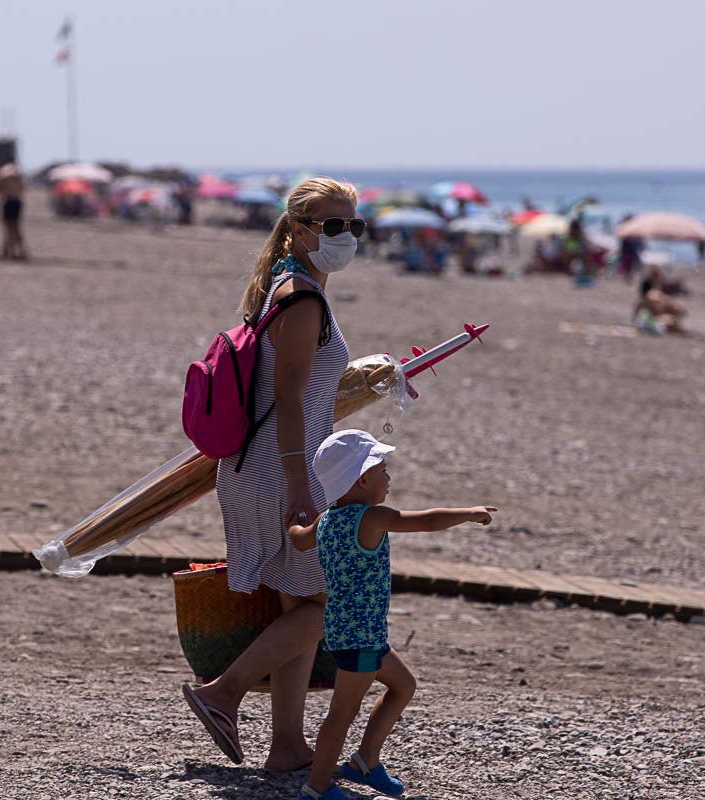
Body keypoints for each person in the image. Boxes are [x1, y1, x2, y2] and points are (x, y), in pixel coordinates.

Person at [182, 177, 362, 773]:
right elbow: (287, 397)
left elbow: (301, 389)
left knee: (297, 609)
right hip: (276, 470)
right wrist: (300, 489)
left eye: (353, 226)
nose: (345, 237)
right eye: (333, 226)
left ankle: (286, 746)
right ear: (301, 228)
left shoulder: (288, 290)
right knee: (328, 606)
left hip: (265, 465)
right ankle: (221, 692)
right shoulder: (303, 297)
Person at [288, 429, 497, 800]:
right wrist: (468, 512)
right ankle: (317, 787)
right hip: (361, 636)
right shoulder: (372, 518)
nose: (389, 477)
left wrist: (291, 525)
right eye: (383, 469)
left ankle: (365, 761)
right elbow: (427, 521)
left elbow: (301, 538)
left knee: (404, 685)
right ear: (363, 479)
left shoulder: (326, 520)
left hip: (347, 629)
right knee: (341, 714)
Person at [633, 267, 700, 338]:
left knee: (669, 319)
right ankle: (686, 333)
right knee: (669, 320)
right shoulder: (652, 297)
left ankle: (686, 333)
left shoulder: (647, 298)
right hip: (653, 322)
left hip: (651, 321)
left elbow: (635, 317)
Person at [0, 161, 27, 260]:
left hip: (8, 201)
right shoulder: (18, 174)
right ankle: (19, 251)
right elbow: (23, 188)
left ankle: (8, 251)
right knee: (16, 227)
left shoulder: (3, 173)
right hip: (17, 201)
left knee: (8, 227)